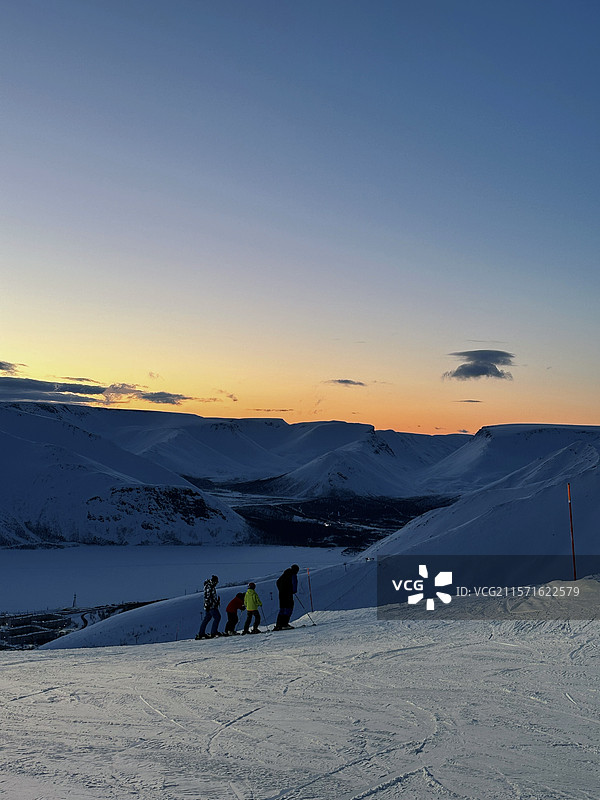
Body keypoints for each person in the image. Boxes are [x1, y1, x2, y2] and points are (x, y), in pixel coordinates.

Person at [274, 564, 299, 630]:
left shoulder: (284, 574)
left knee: (282, 609)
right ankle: (284, 624)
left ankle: (278, 624)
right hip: (288, 594)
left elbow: (277, 582)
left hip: (281, 594)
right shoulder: (293, 574)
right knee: (289, 608)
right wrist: (292, 591)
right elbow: (294, 584)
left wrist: (281, 590)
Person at [195, 575, 221, 639]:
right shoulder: (209, 586)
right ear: (214, 581)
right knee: (217, 617)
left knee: (207, 618)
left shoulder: (210, 586)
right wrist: (208, 604)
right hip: (211, 606)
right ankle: (213, 632)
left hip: (210, 605)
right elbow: (207, 596)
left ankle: (201, 633)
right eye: (216, 582)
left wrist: (216, 602)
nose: (217, 583)